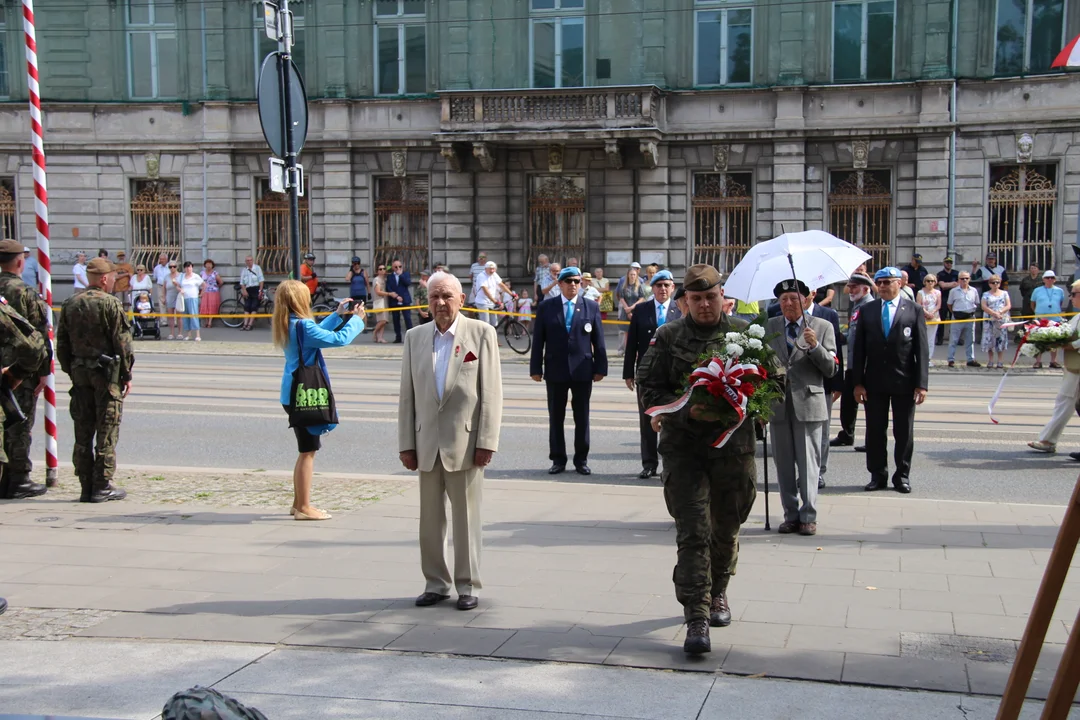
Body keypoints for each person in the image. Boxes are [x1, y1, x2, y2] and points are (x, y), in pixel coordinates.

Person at [636, 264, 756, 655]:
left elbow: (776, 381)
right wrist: (685, 413)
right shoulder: (667, 336)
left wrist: (754, 406)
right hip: (684, 451)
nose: (705, 304)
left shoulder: (746, 334)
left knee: (726, 528)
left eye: (711, 297)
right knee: (693, 533)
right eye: (697, 298)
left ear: (723, 296)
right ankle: (697, 616)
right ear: (685, 301)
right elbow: (649, 390)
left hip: (733, 452)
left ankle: (719, 590)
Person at [398, 271, 503, 612]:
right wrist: (406, 444)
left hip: (467, 443)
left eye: (446, 296)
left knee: (467, 519)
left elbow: (492, 394)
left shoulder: (482, 333)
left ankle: (467, 584)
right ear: (426, 303)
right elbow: (407, 397)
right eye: (434, 298)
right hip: (426, 443)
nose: (440, 303)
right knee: (429, 520)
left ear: (461, 299)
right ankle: (435, 583)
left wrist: (487, 440)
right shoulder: (415, 338)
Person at [273, 280, 364, 520]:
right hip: (304, 393)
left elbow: (315, 333)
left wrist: (337, 315)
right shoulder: (302, 325)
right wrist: (357, 320)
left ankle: (297, 504)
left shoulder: (289, 323)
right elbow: (337, 339)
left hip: (291, 391)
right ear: (299, 300)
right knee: (308, 450)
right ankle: (304, 507)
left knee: (305, 449)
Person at [55, 257, 134, 503]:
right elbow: (123, 345)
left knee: (83, 430)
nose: (113, 282)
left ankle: (85, 484)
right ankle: (102, 485)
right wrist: (126, 375)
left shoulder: (69, 303)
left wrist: (73, 369)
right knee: (106, 429)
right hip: (106, 375)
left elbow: (62, 345)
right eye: (112, 278)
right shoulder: (110, 304)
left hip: (80, 374)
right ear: (103, 278)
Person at [850, 267, 929, 495]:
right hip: (874, 382)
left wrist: (921, 384)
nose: (883, 286)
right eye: (880, 283)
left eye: (887, 282)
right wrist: (858, 382)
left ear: (899, 284)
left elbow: (921, 350)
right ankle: (877, 474)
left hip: (904, 381)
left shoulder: (913, 310)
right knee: (875, 430)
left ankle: (902, 475)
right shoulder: (868, 310)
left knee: (903, 431)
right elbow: (859, 350)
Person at [767, 279, 837, 536]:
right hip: (778, 405)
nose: (788, 304)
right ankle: (790, 514)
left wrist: (815, 346)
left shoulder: (822, 326)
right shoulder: (769, 327)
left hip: (808, 402)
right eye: (783, 299)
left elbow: (831, 368)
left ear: (806, 300)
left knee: (809, 463)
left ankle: (809, 515)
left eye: (794, 298)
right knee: (783, 464)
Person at [530, 266, 607, 475]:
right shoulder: (547, 307)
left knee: (582, 416)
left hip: (582, 369)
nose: (573, 285)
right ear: (561, 284)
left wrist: (601, 367)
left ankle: (581, 459)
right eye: (569, 281)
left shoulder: (590, 306)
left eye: (576, 281)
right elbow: (538, 341)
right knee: (556, 416)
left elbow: (598, 340)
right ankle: (558, 459)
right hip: (556, 369)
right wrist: (535, 368)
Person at [0, 239, 52, 499]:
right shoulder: (25, 291)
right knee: (19, 423)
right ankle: (18, 478)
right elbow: (39, 336)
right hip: (18, 370)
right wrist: (44, 371)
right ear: (20, 261)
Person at [622, 269, 679, 479]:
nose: (663, 289)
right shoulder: (642, 309)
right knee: (647, 420)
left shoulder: (679, 309)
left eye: (667, 285)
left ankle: (670, 465)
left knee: (671, 421)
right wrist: (629, 372)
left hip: (673, 375)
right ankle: (649, 464)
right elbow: (632, 344)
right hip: (647, 375)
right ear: (652, 288)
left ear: (673, 288)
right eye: (659, 285)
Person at [1027, 280, 1080, 454]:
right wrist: (1048, 335)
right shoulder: (1077, 316)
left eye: (1073, 294)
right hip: (1074, 367)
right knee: (1065, 402)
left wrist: (1067, 344)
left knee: (1065, 401)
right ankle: (1048, 440)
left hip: (1077, 368)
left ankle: (1048, 441)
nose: (1070, 298)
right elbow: (1064, 331)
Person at [805, 286, 844, 490]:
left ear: (813, 293)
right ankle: (801, 470)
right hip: (796, 385)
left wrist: (838, 382)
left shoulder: (827, 315)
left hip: (823, 382)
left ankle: (819, 471)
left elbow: (836, 349)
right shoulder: (778, 312)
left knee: (822, 430)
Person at [831, 273, 874, 449]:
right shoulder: (857, 306)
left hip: (867, 365)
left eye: (855, 287)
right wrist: (841, 337)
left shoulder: (870, 306)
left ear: (866, 288)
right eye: (850, 286)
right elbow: (855, 336)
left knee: (871, 405)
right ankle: (846, 434)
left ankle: (873, 440)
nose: (851, 290)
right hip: (853, 363)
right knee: (848, 401)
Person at [1030, 270, 1066, 369]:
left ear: (1055, 280)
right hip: (1040, 319)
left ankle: (1053, 361)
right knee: (1038, 340)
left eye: (1052, 277)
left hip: (1054, 319)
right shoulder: (1037, 290)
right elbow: (1032, 303)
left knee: (1054, 341)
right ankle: (1038, 361)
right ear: (1043, 279)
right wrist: (1038, 313)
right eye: (1048, 277)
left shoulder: (1060, 291)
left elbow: (1060, 303)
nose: (1050, 279)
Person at [946, 271, 980, 368]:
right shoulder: (953, 291)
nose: (964, 280)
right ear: (958, 280)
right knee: (954, 340)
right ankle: (951, 359)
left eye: (966, 278)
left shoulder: (974, 290)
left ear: (969, 279)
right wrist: (955, 313)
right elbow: (949, 304)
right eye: (962, 278)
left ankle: (970, 359)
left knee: (970, 340)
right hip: (957, 318)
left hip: (970, 317)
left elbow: (976, 303)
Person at [980, 274, 1011, 369]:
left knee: (1000, 339)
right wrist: (993, 313)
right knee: (990, 339)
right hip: (989, 320)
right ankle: (990, 360)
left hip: (1001, 319)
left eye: (997, 282)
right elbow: (983, 306)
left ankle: (1000, 361)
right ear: (989, 284)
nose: (995, 284)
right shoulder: (986, 294)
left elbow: (1008, 305)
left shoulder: (1004, 293)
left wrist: (1000, 312)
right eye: (993, 282)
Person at [616, 262, 648, 354]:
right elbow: (621, 297)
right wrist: (627, 309)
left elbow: (642, 298)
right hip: (625, 310)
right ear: (628, 275)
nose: (633, 276)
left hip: (636, 310)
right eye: (631, 274)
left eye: (634, 274)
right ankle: (627, 352)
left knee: (637, 332)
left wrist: (632, 307)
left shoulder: (640, 285)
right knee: (626, 333)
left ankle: (637, 352)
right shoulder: (624, 285)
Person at [475, 261, 511, 327]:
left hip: (491, 302)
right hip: (482, 302)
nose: (492, 270)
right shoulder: (481, 276)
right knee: (486, 323)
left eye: (493, 269)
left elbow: (502, 285)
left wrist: (512, 294)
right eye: (490, 269)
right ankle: (485, 337)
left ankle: (493, 337)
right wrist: (495, 301)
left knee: (494, 323)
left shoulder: (494, 274)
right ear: (485, 269)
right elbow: (485, 290)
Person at [916, 275, 942, 365]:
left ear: (935, 282)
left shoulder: (938, 292)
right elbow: (918, 304)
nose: (930, 282)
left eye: (932, 281)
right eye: (928, 281)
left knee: (931, 340)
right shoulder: (920, 292)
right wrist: (926, 313)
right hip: (923, 318)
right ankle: (921, 358)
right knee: (923, 339)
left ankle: (929, 359)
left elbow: (938, 305)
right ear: (925, 282)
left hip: (934, 318)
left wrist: (932, 312)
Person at [386, 259, 413, 343]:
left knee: (407, 319)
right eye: (396, 267)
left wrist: (401, 275)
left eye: (400, 266)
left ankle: (410, 337)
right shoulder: (390, 276)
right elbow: (388, 287)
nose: (398, 268)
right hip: (395, 300)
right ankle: (398, 337)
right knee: (395, 319)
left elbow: (408, 283)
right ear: (393, 268)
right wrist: (396, 296)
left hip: (405, 300)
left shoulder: (405, 274)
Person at [936, 257, 959, 346]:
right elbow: (943, 286)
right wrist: (952, 284)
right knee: (942, 319)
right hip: (944, 298)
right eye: (947, 262)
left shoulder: (956, 273)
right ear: (944, 263)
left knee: (955, 319)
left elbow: (958, 285)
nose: (949, 264)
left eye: (950, 262)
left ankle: (955, 339)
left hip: (954, 299)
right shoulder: (940, 274)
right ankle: (940, 339)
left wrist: (948, 284)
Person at [178, 261, 204, 342]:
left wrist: (201, 293)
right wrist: (180, 289)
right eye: (186, 267)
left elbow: (204, 284)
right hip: (184, 298)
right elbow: (177, 284)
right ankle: (188, 335)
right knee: (186, 316)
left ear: (192, 268)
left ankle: (197, 334)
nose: (188, 268)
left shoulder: (195, 276)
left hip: (193, 297)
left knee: (194, 315)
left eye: (189, 267)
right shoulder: (182, 276)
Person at [240, 255, 265, 331]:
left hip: (256, 289)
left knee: (254, 306)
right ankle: (245, 324)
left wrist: (260, 290)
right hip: (248, 289)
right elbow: (242, 282)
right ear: (245, 262)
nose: (249, 262)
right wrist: (244, 290)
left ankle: (250, 325)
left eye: (250, 260)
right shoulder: (244, 270)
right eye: (247, 260)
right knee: (247, 307)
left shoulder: (257, 268)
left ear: (253, 260)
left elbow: (261, 280)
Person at [199, 260, 221, 329]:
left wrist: (216, 287)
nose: (208, 266)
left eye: (210, 264)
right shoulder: (202, 273)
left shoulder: (215, 273)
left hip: (213, 292)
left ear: (212, 265)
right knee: (205, 306)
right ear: (205, 265)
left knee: (211, 307)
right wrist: (200, 290)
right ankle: (206, 321)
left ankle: (210, 322)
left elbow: (220, 281)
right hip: (205, 292)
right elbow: (199, 282)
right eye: (207, 264)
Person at [372, 264, 390, 343]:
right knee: (382, 320)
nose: (382, 270)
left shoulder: (384, 279)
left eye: (384, 269)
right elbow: (378, 291)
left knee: (384, 321)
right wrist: (389, 294)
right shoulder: (377, 280)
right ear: (377, 271)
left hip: (384, 301)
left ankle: (380, 337)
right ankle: (375, 332)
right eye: (380, 269)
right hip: (379, 301)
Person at [164, 260, 182, 339]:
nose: (172, 268)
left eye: (174, 266)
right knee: (170, 316)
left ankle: (180, 333)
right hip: (169, 296)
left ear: (176, 267)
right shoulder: (167, 276)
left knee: (179, 316)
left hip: (178, 296)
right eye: (170, 267)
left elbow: (183, 286)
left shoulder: (181, 275)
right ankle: (171, 333)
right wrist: (164, 297)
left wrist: (177, 284)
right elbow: (164, 288)